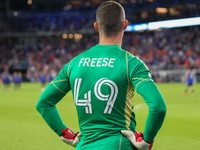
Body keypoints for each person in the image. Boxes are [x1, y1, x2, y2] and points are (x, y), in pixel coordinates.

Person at [36, 1, 167, 150]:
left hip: (84, 146)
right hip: (118, 145)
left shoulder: (73, 64)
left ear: (96, 26)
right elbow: (158, 106)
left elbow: (44, 103)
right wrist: (147, 140)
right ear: (124, 24)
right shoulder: (131, 63)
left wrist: (67, 134)